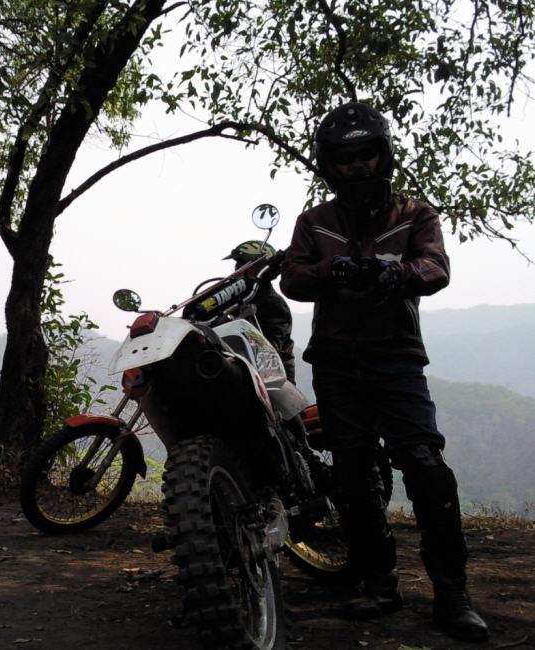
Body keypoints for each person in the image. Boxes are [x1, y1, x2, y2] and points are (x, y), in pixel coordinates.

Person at [279, 101, 488, 642]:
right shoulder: (314, 221)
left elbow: (436, 267)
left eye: (366, 154)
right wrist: (334, 270)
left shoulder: (415, 215)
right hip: (334, 362)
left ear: (384, 155)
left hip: (397, 359)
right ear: (329, 164)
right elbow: (292, 279)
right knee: (353, 476)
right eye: (344, 158)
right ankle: (380, 584)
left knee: (426, 468)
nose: (357, 166)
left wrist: (391, 275)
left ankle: (452, 595)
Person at [223, 241, 296, 383]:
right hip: (245, 375)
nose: (236, 270)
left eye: (241, 265)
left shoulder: (272, 304)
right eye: (236, 265)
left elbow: (269, 351)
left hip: (275, 384)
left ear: (257, 268)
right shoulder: (240, 299)